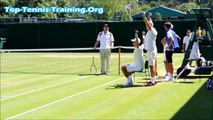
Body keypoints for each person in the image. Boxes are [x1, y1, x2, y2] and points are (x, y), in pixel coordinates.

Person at [143, 12, 158, 85]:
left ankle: (152, 81)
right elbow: (148, 24)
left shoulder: (152, 30)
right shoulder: (150, 30)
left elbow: (148, 25)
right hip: (151, 50)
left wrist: (144, 18)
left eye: (149, 23)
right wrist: (148, 17)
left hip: (151, 51)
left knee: (151, 66)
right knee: (152, 65)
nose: (147, 25)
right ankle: (154, 80)